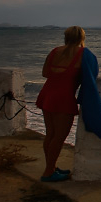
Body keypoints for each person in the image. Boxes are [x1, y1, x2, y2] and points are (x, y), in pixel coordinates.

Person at [35, 25, 87, 181]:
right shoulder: (83, 53)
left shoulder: (54, 52)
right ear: (81, 39)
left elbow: (45, 73)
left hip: (47, 94)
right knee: (59, 137)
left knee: (50, 134)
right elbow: (90, 75)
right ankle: (48, 173)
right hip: (64, 98)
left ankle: (50, 168)